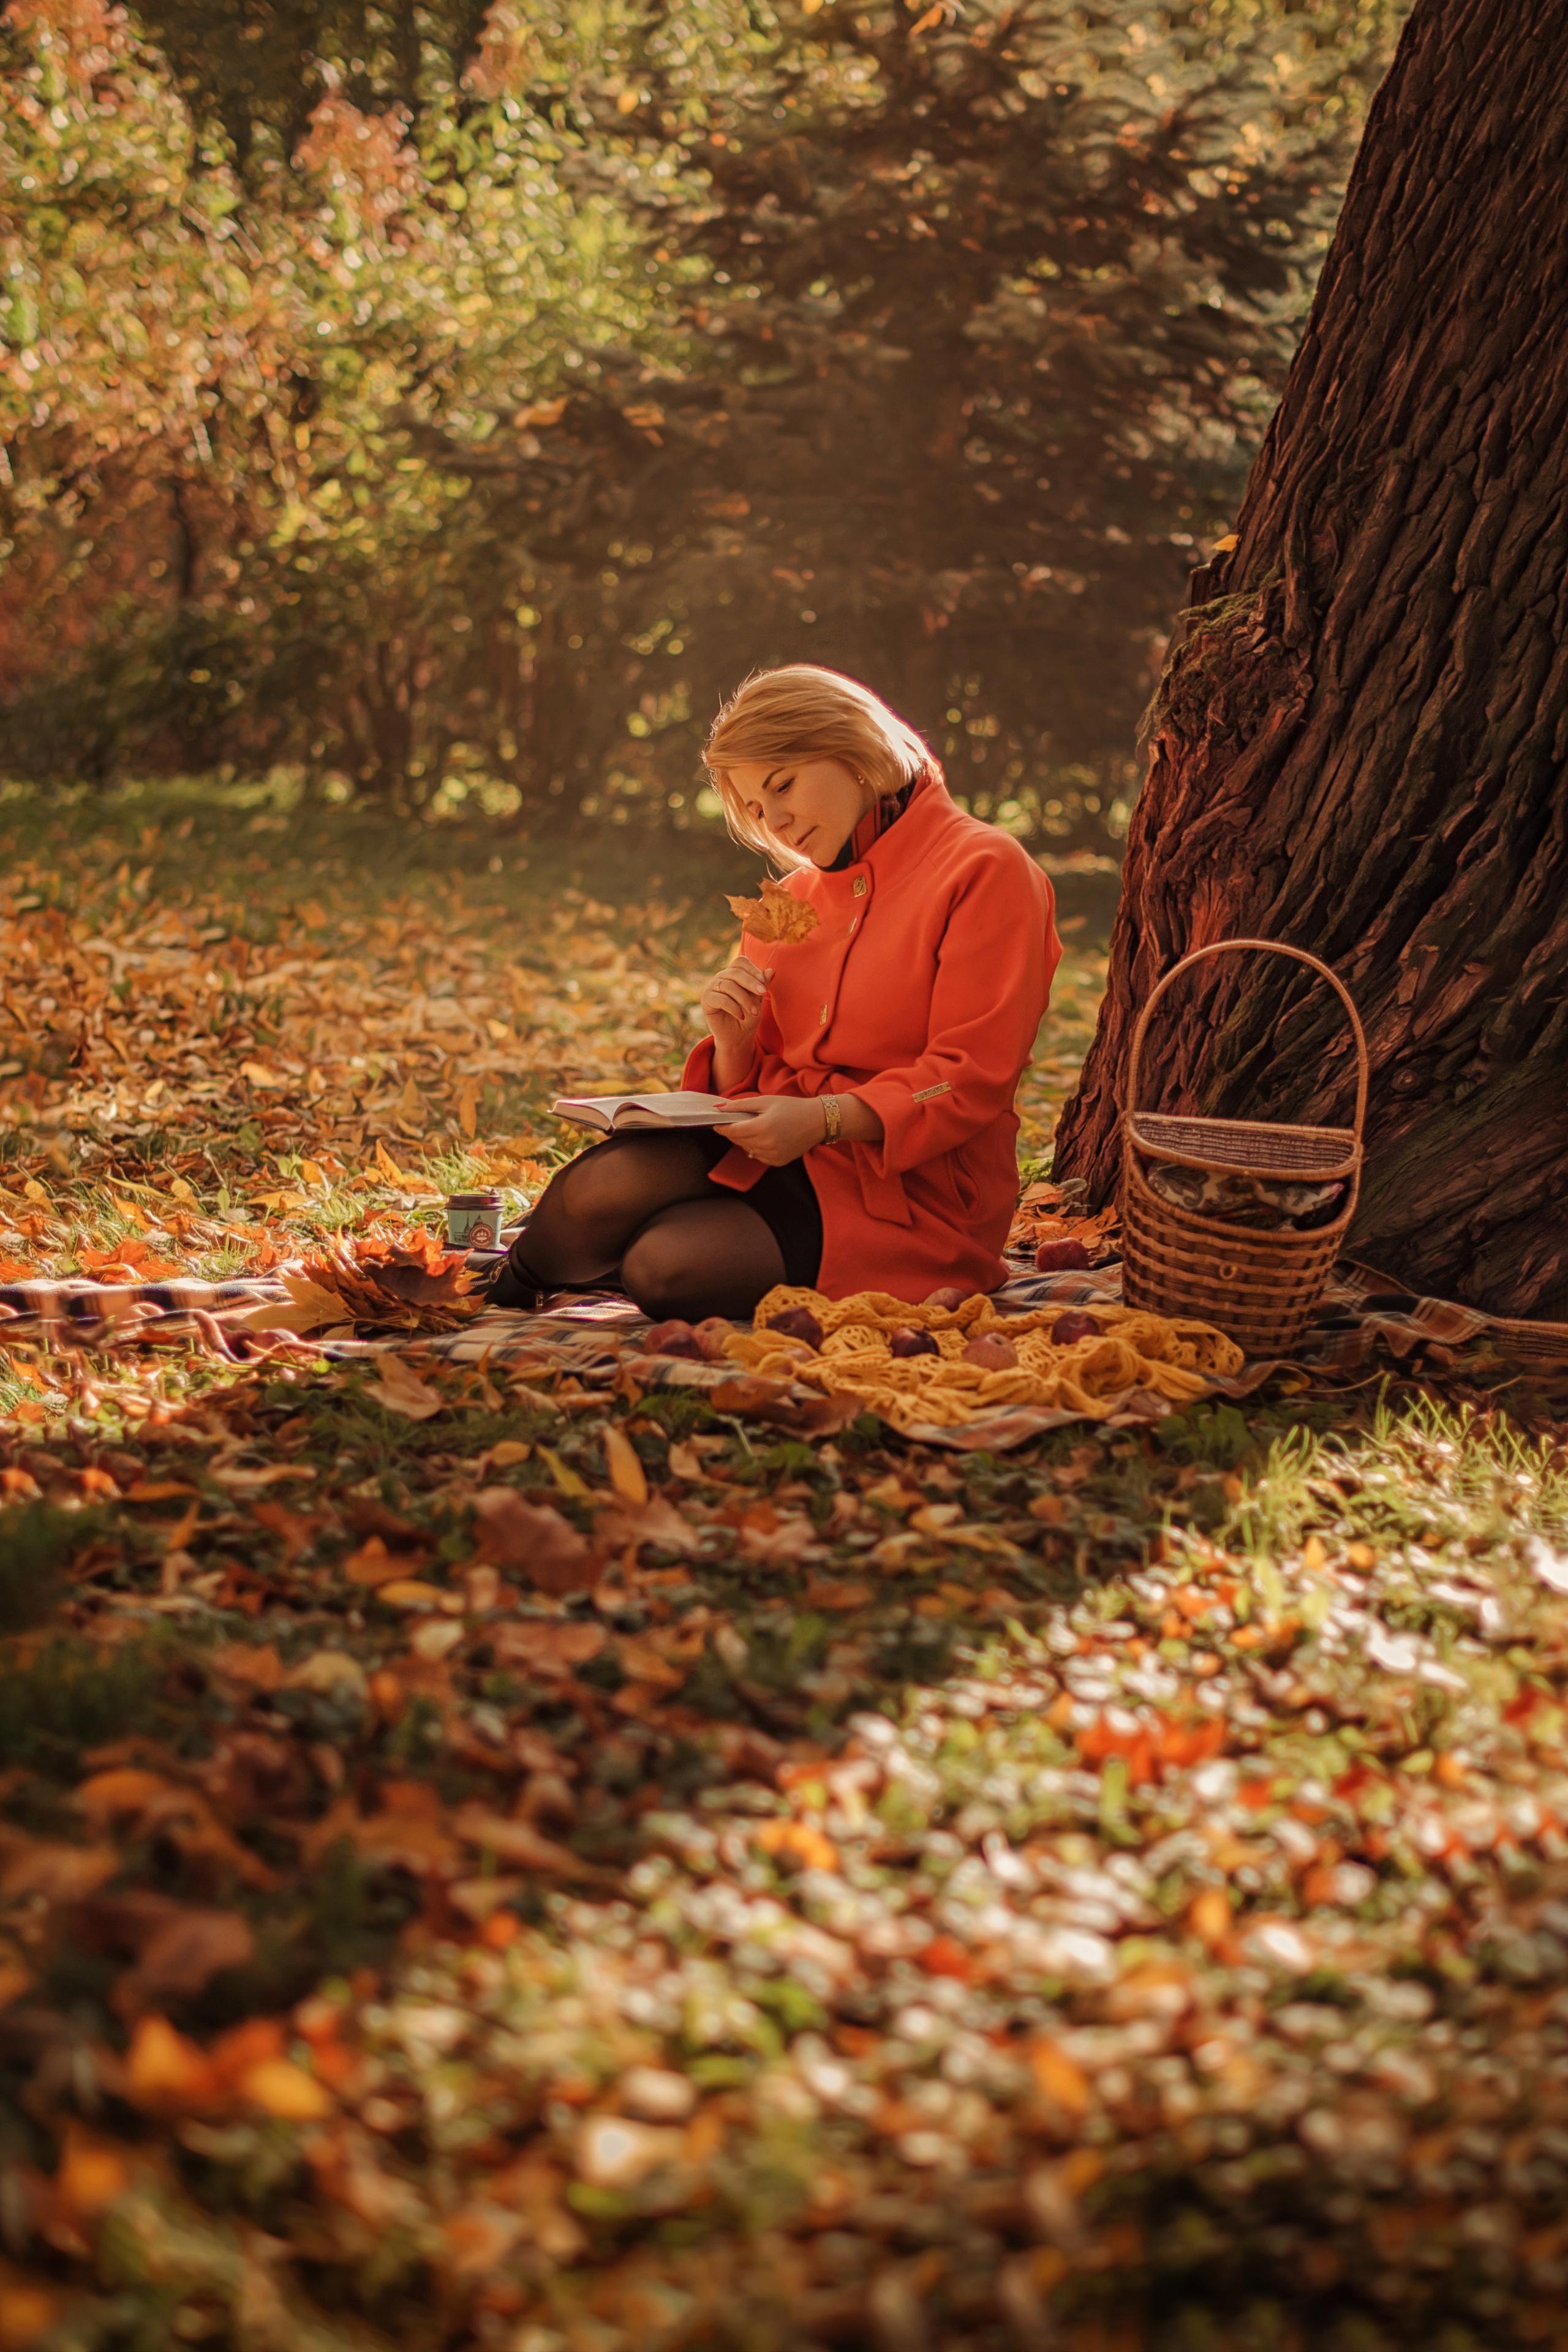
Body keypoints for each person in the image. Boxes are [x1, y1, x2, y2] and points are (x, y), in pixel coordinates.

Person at [489, 665, 1061, 1318]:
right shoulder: (788, 901)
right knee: (604, 1184)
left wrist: (824, 1120)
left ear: (853, 746)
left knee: (664, 1268)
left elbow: (968, 1079)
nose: (778, 822)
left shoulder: (986, 870)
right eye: (757, 809)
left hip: (914, 1196)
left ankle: (611, 1261)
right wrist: (734, 1046)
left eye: (783, 785)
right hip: (776, 1155)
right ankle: (498, 1296)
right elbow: (751, 1092)